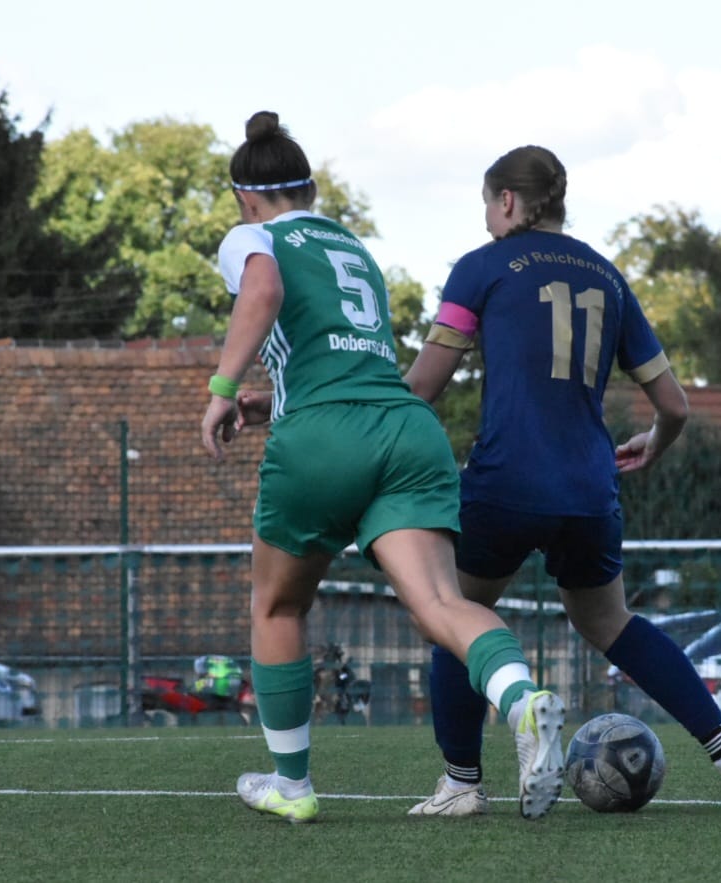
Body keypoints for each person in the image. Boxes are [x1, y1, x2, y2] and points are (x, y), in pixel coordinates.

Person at [200, 113, 566, 824]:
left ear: (245, 197)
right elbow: (348, 361)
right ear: (310, 188)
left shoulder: (252, 236)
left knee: (278, 606)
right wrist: (273, 401)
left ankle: (292, 787)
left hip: (323, 441)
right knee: (440, 605)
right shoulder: (352, 245)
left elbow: (263, 292)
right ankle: (522, 700)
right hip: (405, 430)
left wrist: (221, 389)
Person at [400, 145, 721, 815]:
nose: (486, 217)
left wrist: (355, 417)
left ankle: (461, 783)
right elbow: (674, 407)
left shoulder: (481, 267)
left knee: (453, 616)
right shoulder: (607, 275)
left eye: (487, 203)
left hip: (505, 480)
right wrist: (653, 445)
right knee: (610, 622)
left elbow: (422, 387)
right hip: (588, 486)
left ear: (506, 200)